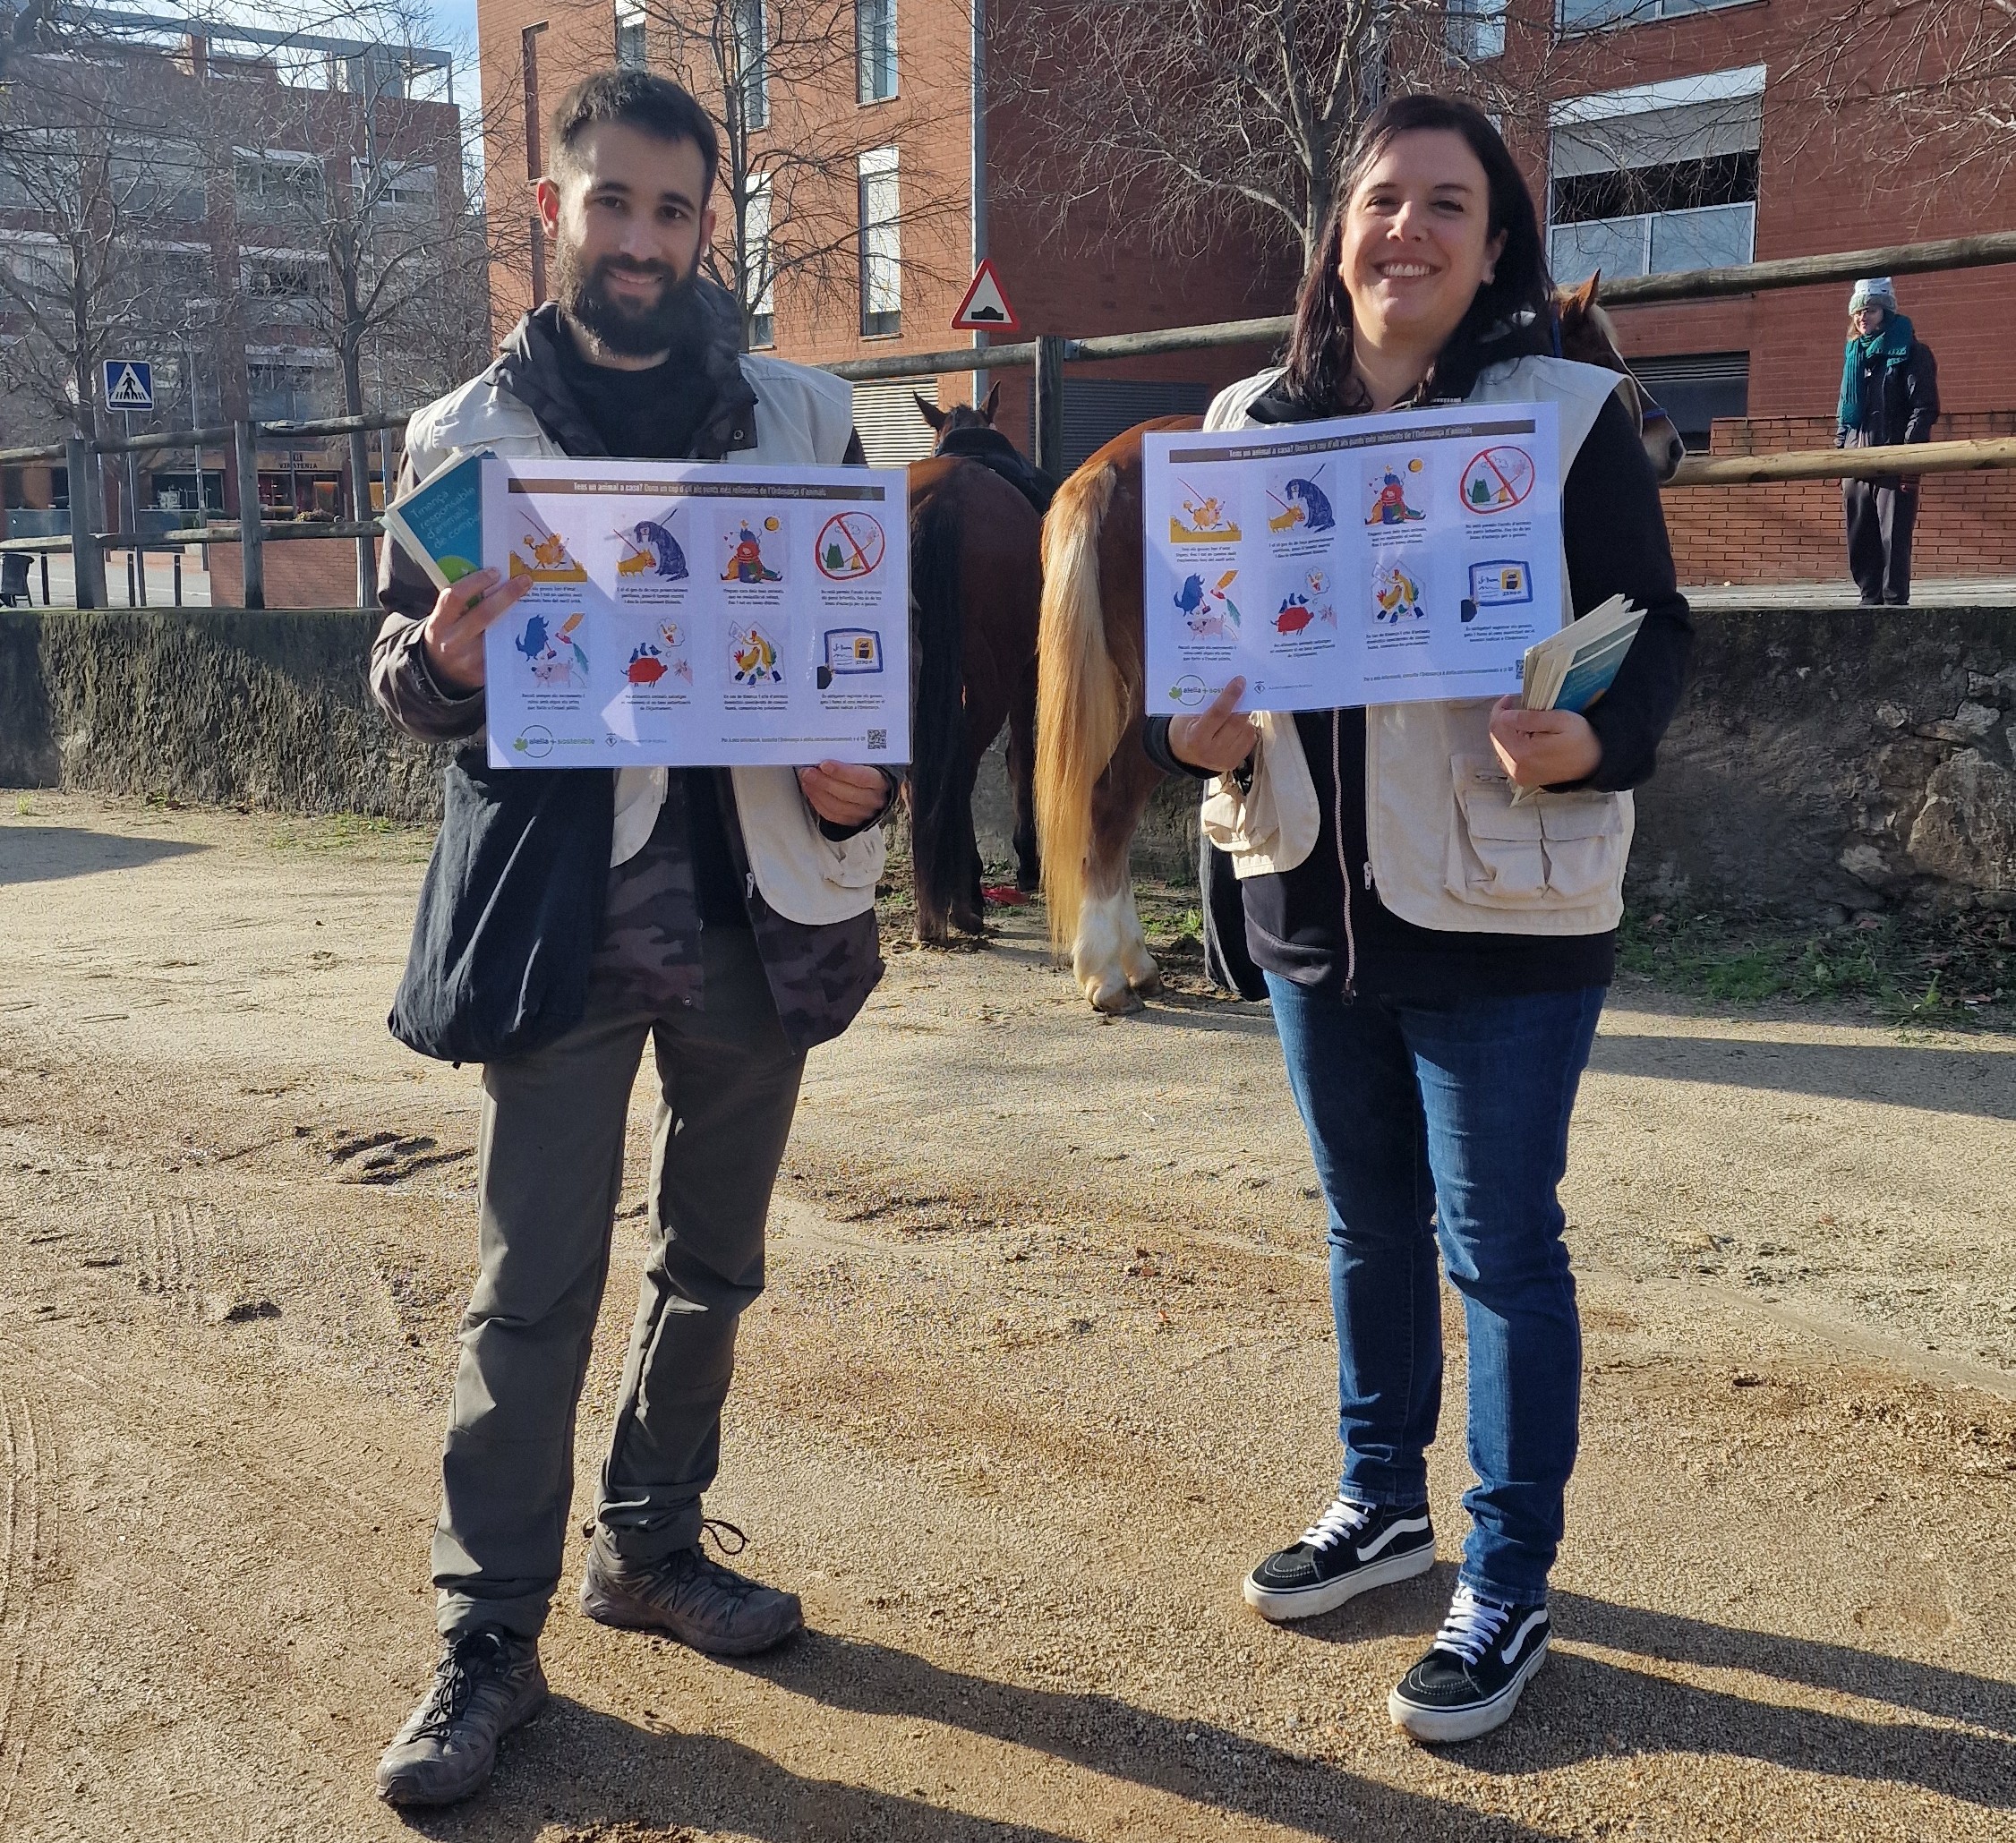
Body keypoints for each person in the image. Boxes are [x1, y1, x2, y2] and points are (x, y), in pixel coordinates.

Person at [367, 71, 896, 1808]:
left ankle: (647, 1547)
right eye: (615, 204)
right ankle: (484, 1637)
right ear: (551, 208)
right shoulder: (462, 439)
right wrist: (439, 670)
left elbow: (872, 679)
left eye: (677, 211)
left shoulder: (809, 421)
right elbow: (403, 669)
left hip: (754, 915)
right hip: (557, 923)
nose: (647, 240)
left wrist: (848, 785)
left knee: (715, 1264)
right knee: (533, 1287)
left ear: (707, 222)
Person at [1142, 95, 1691, 1743]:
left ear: (1495, 242)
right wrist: (1194, 732)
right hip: (1309, 891)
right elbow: (1199, 664)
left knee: (1499, 1248)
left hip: (1499, 910)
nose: (1407, 230)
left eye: (1445, 204)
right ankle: (1382, 1499)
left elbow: (1650, 632)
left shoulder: (1567, 416)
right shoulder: (1245, 419)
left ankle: (1506, 1572)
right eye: (1380, 200)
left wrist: (1593, 735)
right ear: (1338, 232)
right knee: (1363, 1225)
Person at [1836, 277, 1938, 606]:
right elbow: (1844, 412)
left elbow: (1923, 409)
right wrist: (1841, 454)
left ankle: (1894, 606)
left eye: (1872, 309)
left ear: (1887, 311)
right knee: (1859, 536)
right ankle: (1868, 599)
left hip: (1895, 457)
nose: (1863, 317)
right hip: (1856, 458)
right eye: (1858, 312)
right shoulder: (1855, 356)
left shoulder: (1912, 352)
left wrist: (1909, 458)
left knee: (1893, 537)